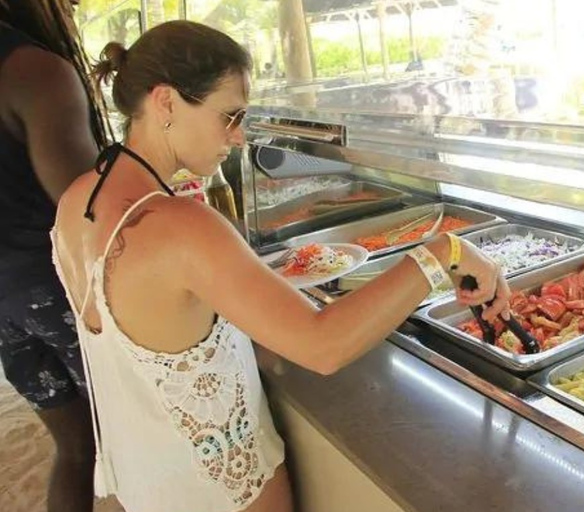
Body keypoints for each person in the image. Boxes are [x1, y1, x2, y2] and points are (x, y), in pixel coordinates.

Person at [52, 20, 510, 512]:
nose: (240, 135)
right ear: (165, 102)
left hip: (137, 482)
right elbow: (322, 345)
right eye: (229, 115)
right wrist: (444, 252)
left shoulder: (79, 198)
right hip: (219, 491)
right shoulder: (181, 224)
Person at [0, 1, 111, 511]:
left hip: (4, 307)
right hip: (57, 290)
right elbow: (90, 216)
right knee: (128, 445)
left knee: (75, 448)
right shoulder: (35, 71)